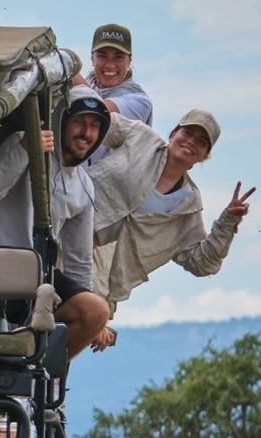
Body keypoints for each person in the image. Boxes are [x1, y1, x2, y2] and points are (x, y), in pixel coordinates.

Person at [87, 109, 255, 351]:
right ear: (174, 133)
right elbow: (98, 119)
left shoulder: (186, 207)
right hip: (61, 229)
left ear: (205, 156)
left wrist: (228, 221)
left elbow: (203, 263)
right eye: (188, 132)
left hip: (97, 286)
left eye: (201, 142)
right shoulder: (140, 137)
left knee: (62, 344)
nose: (191, 142)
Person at [0, 85, 111, 360]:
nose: (86, 133)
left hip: (36, 281)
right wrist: (27, 149)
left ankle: (35, 373)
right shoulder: (21, 142)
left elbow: (78, 259)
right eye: (78, 122)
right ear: (60, 121)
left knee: (96, 312)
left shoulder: (84, 184)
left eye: (95, 126)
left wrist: (96, 325)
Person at [72, 23, 153, 166]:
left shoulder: (140, 101)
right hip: (70, 183)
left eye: (118, 57)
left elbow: (95, 108)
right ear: (92, 58)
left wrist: (67, 66)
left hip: (110, 187)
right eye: (102, 56)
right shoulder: (82, 88)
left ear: (130, 60)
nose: (110, 65)